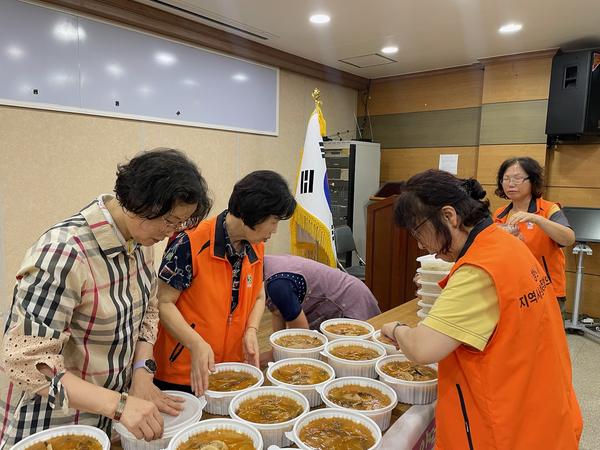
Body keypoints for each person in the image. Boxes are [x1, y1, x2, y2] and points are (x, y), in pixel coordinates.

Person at [0, 148, 212, 447]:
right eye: (170, 221)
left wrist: (142, 373)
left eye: (180, 223)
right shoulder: (64, 253)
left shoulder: (140, 241)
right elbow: (27, 363)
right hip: (52, 423)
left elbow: (148, 312)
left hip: (107, 416)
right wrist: (120, 405)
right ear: (139, 202)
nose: (172, 232)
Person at [381, 169, 582, 449]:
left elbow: (423, 349)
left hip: (507, 431)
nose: (419, 244)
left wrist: (396, 329)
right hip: (544, 415)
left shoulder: (480, 268)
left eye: (418, 231)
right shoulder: (506, 244)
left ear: (449, 216)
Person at [152, 170, 296, 397]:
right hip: (183, 370)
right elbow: (163, 303)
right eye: (274, 221)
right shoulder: (189, 242)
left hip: (230, 368)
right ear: (255, 213)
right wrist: (195, 343)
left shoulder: (255, 244)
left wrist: (251, 330)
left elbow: (258, 295)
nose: (275, 230)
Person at [493, 157, 575, 312]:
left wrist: (536, 218)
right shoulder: (499, 214)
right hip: (511, 288)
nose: (511, 184)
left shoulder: (548, 209)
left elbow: (569, 238)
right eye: (506, 179)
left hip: (545, 289)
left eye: (517, 178)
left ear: (532, 181)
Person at [264, 254, 381, 331]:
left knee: (354, 355)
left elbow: (301, 337)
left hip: (350, 301)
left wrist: (270, 356)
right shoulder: (265, 267)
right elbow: (277, 312)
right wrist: (275, 350)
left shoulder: (278, 284)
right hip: (340, 298)